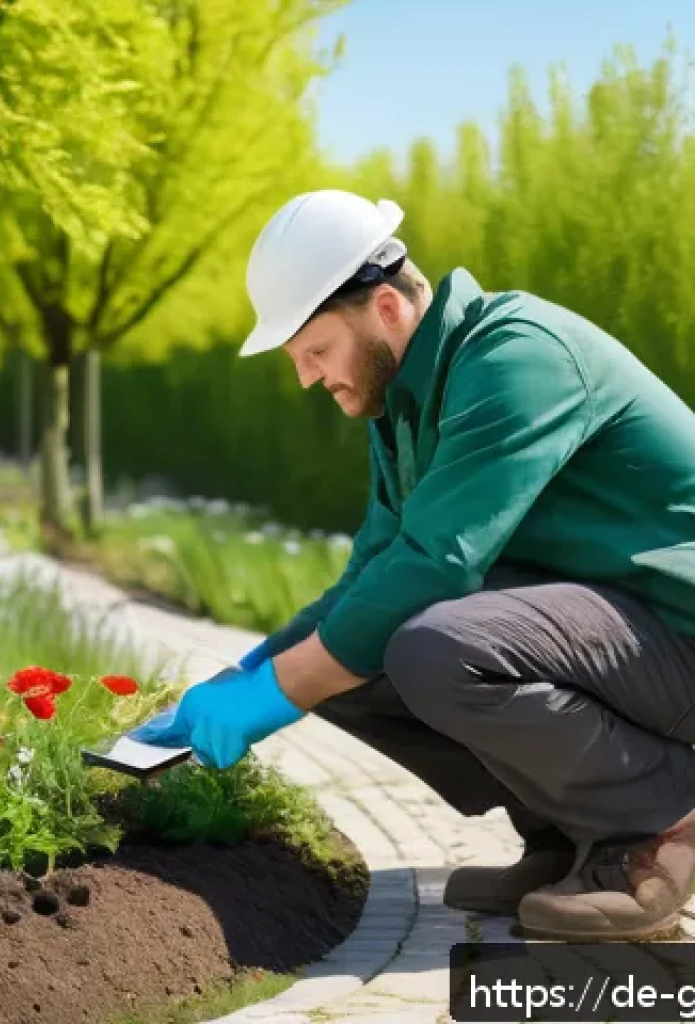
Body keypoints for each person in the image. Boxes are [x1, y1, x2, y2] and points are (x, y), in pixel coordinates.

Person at [131, 189, 695, 942]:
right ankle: (570, 837)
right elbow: (374, 574)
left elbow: (438, 563)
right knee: (353, 652)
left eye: (316, 351)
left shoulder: (518, 358)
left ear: (388, 309)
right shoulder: (404, 404)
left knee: (430, 646)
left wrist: (280, 689)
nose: (306, 378)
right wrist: (252, 673)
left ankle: (660, 827)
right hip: (630, 642)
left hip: (678, 630)